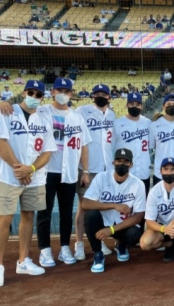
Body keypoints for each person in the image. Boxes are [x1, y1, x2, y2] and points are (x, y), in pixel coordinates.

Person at [0, 81, 53, 287]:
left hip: (34, 177)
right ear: (24, 93)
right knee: (5, 219)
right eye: (31, 92)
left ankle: (23, 260)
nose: (34, 95)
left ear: (43, 97)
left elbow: (48, 151)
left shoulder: (44, 117)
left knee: (28, 216)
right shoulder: (7, 112)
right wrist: (19, 169)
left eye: (39, 94)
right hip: (9, 176)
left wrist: (30, 169)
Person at [35, 78, 92, 268]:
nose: (63, 94)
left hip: (69, 171)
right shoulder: (41, 111)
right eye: (59, 90)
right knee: (45, 212)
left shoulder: (77, 117)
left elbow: (84, 146)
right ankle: (44, 250)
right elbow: (21, 111)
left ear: (71, 94)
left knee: (67, 213)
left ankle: (65, 247)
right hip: (46, 170)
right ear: (52, 92)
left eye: (67, 91)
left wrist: (85, 171)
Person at [82, 148, 146, 273]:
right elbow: (85, 203)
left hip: (121, 226)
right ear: (113, 162)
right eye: (118, 160)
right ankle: (98, 254)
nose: (121, 164)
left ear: (131, 164)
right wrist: (114, 205)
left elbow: (138, 216)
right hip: (102, 222)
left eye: (125, 162)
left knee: (135, 234)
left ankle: (121, 244)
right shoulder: (102, 178)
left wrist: (111, 230)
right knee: (90, 215)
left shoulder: (138, 184)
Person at [73, 84, 117, 261]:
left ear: (109, 97)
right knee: (83, 208)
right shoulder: (82, 111)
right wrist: (84, 170)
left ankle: (99, 242)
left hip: (106, 170)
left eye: (103, 94)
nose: (100, 96)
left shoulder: (112, 115)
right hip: (88, 169)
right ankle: (78, 244)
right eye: (97, 93)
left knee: (101, 210)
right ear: (92, 96)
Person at [112, 92, 152, 194]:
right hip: (124, 171)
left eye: (137, 104)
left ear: (141, 106)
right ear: (127, 105)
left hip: (143, 171)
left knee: (142, 205)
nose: (135, 106)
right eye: (131, 103)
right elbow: (111, 148)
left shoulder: (148, 123)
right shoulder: (117, 123)